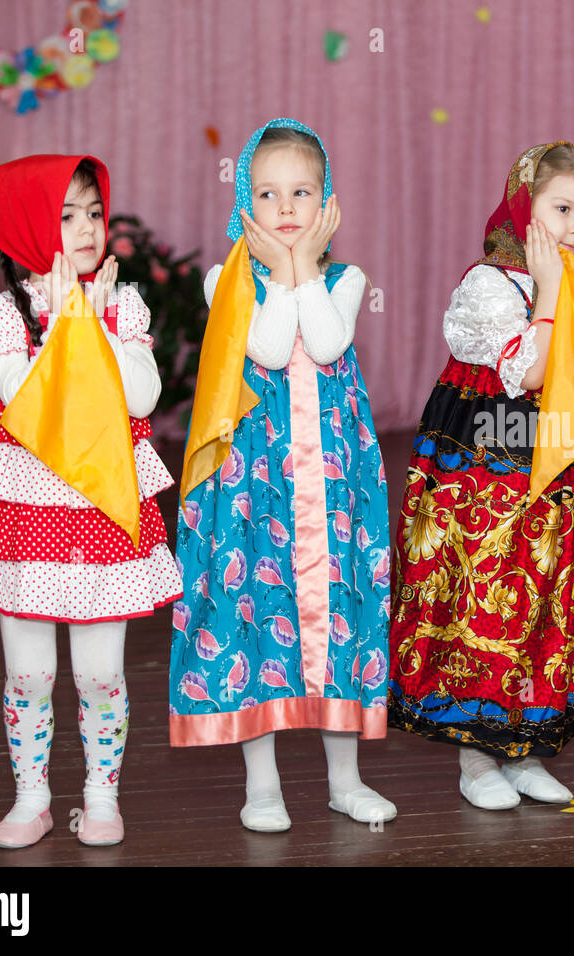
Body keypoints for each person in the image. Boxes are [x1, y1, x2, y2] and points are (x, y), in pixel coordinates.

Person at [389, 142, 574, 810]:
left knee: (550, 596)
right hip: (488, 471)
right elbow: (529, 371)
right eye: (561, 208)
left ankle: (528, 746)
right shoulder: (487, 285)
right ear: (522, 207)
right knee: (487, 595)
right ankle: (478, 757)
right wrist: (555, 295)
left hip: (565, 470)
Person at [0, 154, 181, 847]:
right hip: (25, 510)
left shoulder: (122, 303)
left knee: (101, 674)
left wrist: (94, 318)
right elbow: (26, 399)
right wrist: (71, 316)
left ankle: (101, 798)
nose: (85, 228)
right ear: (24, 229)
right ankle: (32, 798)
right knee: (29, 672)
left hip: (101, 512)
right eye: (65, 213)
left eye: (94, 213)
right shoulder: (3, 310)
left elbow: (142, 397)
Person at [169, 120, 393, 828]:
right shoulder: (224, 281)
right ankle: (260, 784)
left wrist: (302, 271)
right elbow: (265, 348)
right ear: (246, 205)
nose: (286, 208)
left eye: (302, 192)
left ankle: (344, 777)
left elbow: (326, 339)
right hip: (253, 483)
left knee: (341, 611)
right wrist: (286, 275)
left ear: (327, 202)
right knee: (253, 618)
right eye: (268, 194)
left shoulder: (347, 279)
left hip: (333, 484)